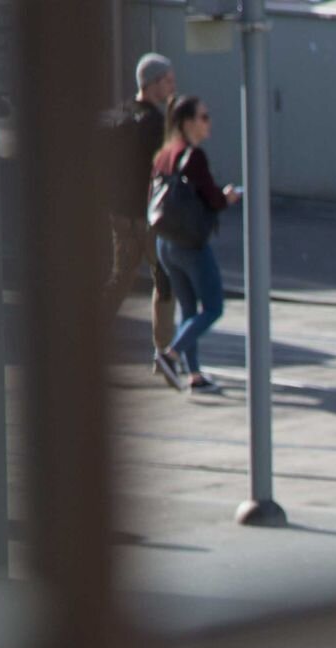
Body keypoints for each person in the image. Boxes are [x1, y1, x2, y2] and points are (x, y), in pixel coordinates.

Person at [152, 95, 240, 393]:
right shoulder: (193, 156)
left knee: (189, 310)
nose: (208, 122)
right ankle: (170, 354)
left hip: (165, 242)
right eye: (204, 117)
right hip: (190, 243)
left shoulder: (164, 154)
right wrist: (226, 197)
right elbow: (211, 198)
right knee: (213, 307)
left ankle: (195, 376)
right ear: (187, 122)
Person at [102, 53, 177, 377]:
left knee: (120, 279)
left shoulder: (118, 115)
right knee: (165, 279)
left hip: (121, 214)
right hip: (148, 217)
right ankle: (164, 352)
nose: (172, 85)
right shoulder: (157, 124)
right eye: (168, 80)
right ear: (153, 83)